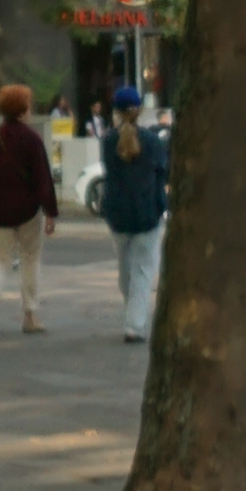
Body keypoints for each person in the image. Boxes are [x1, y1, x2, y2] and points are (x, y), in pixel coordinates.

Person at [0, 82, 59, 337]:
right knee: (30, 259)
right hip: (28, 210)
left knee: (0, 259)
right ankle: (29, 315)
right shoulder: (32, 139)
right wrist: (51, 211)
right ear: (23, 110)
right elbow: (43, 179)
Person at [99, 84, 169, 344]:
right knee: (142, 271)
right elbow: (162, 173)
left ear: (115, 111)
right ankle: (134, 325)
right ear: (139, 110)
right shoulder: (153, 141)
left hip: (118, 215)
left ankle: (132, 315)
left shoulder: (108, 141)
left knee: (125, 271)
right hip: (147, 213)